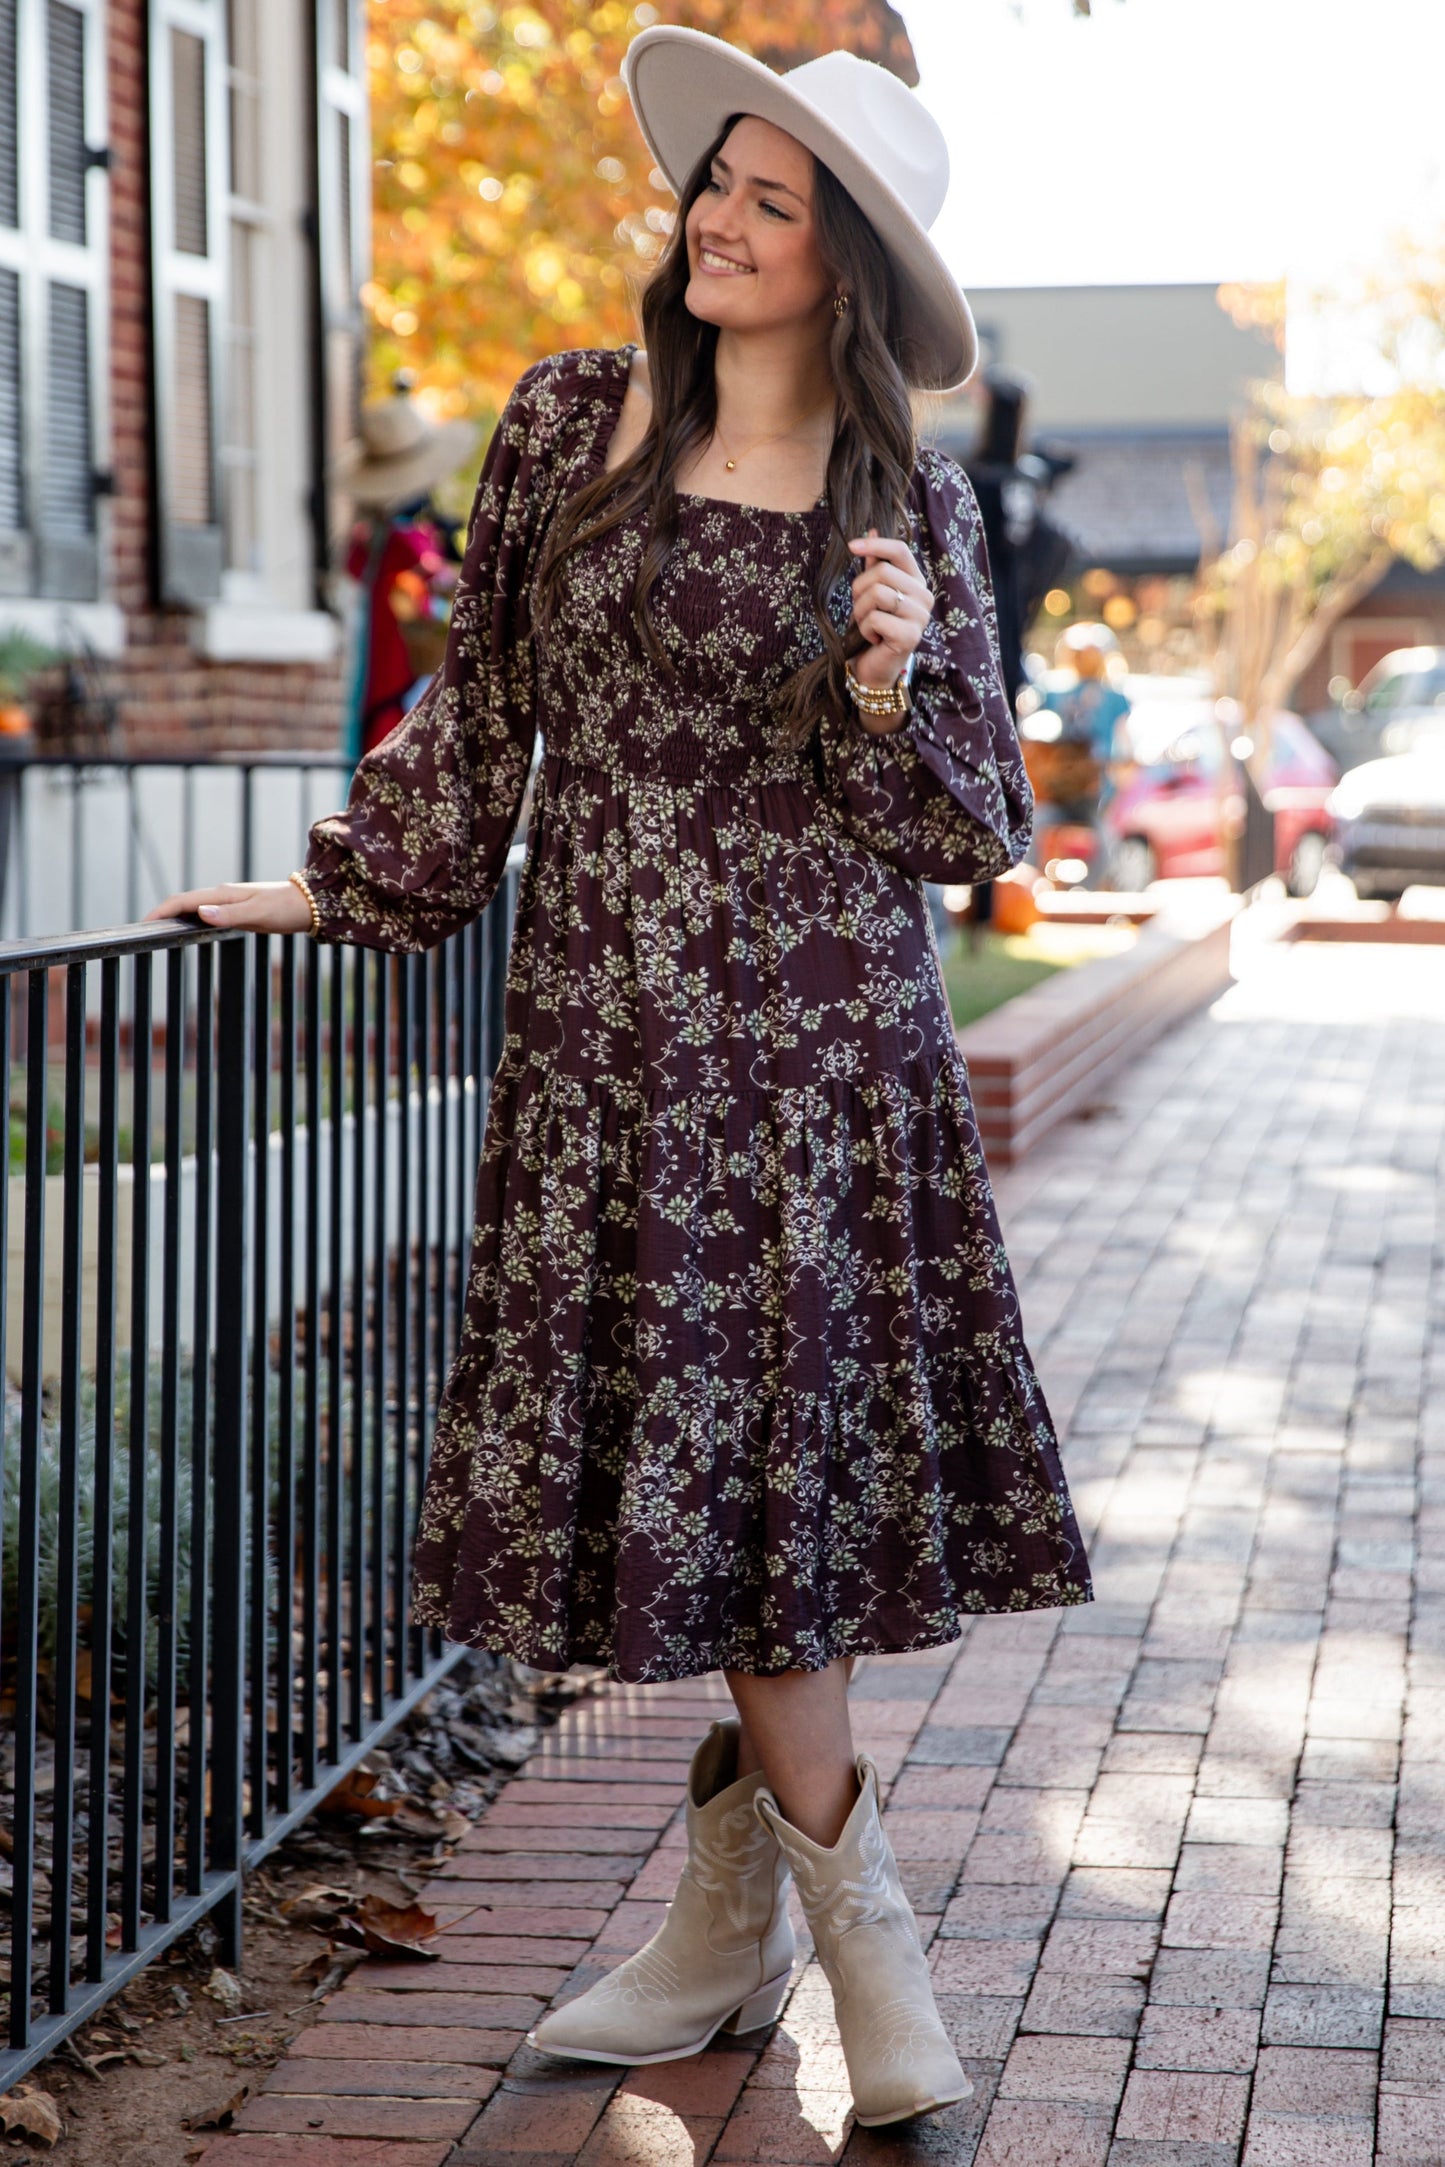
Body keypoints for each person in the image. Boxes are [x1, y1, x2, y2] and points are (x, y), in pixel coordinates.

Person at [150, 25, 1091, 2129]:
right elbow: (479, 710)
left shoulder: (908, 508)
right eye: (714, 182)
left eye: (771, 201)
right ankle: (727, 1939)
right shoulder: (568, 423)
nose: (713, 221)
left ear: (846, 265)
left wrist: (888, 676)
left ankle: (859, 1956)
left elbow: (968, 829)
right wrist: (337, 885)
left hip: (821, 1070)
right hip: (609, 1058)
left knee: (769, 1507)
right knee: (724, 1512)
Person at [340, 383, 478, 758]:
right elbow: (442, 593)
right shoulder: (405, 543)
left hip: (387, 676)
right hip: (400, 677)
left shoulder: (375, 538)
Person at [1036, 620, 1132, 883]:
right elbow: (1037, 733)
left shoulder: (1113, 696)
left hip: (1094, 787)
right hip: (1057, 784)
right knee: (1036, 829)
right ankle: (1037, 885)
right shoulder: (1053, 692)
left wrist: (1119, 772)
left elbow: (1123, 740)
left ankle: (1089, 888)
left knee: (1105, 842)